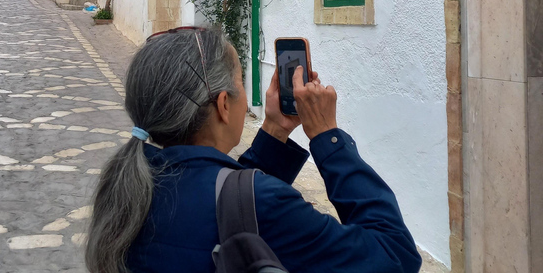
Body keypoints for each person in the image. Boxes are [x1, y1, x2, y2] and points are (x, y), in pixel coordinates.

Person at [86, 27, 422, 273]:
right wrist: (326, 135)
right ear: (222, 105)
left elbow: (228, 200)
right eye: (240, 82)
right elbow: (394, 256)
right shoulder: (268, 205)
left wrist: (275, 129)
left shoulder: (131, 182)